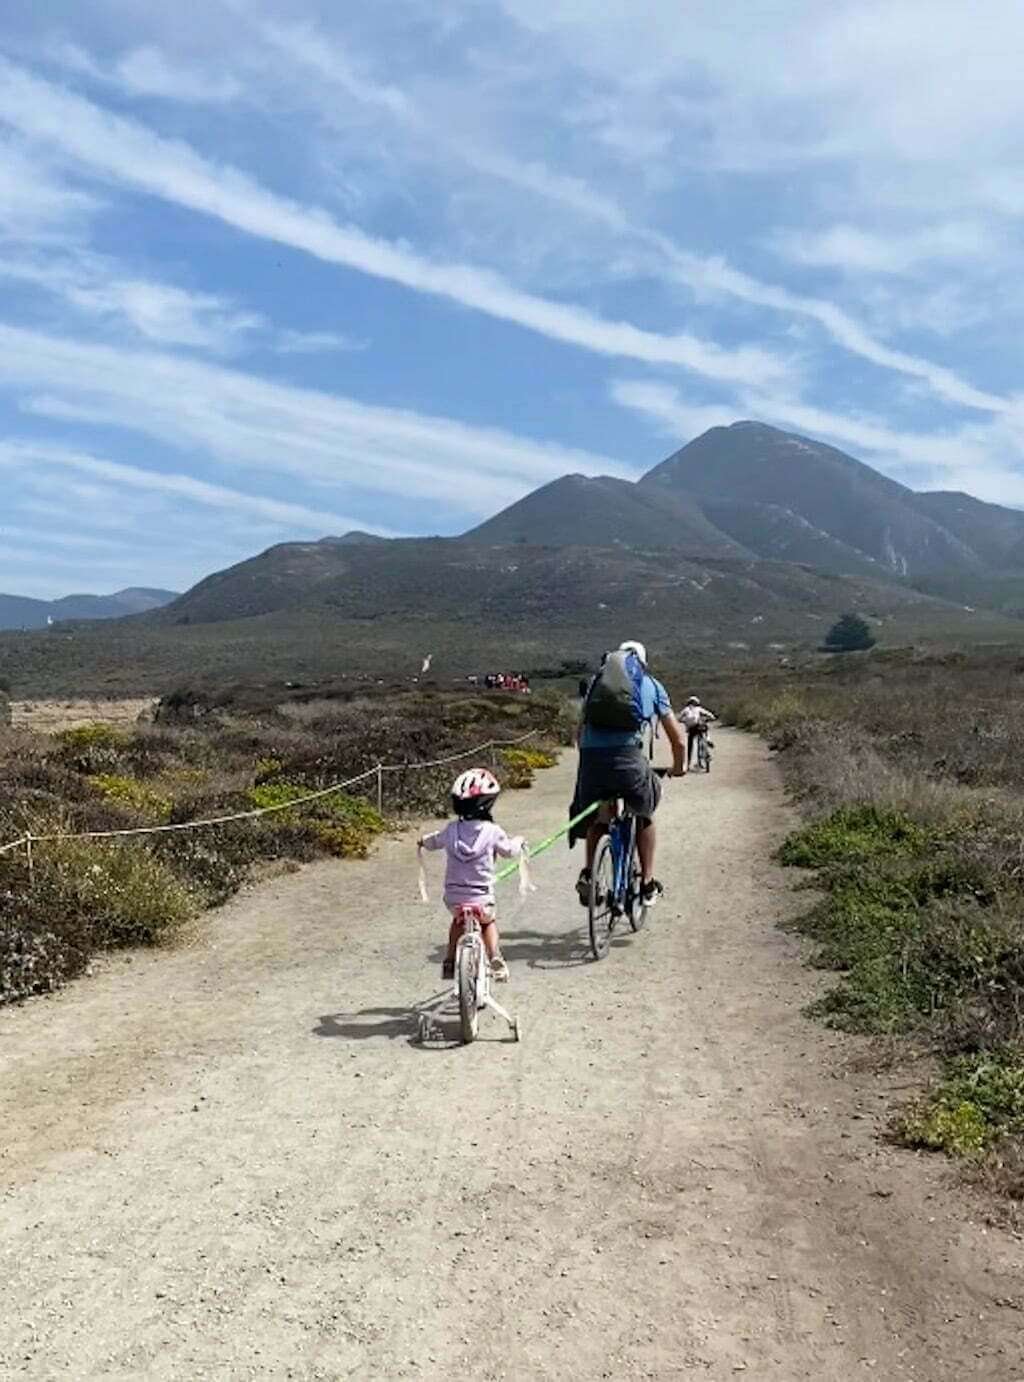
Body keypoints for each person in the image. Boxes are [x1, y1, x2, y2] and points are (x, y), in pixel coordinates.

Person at [572, 640, 685, 907]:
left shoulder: (595, 685)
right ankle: (647, 884)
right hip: (629, 759)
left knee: (599, 818)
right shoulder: (651, 685)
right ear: (642, 663)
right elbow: (678, 740)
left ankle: (590, 874)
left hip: (592, 761)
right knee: (644, 814)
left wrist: (593, 760)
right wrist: (678, 768)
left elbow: (578, 734)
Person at [418, 767, 525, 983]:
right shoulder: (492, 831)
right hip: (482, 899)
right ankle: (495, 956)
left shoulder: (450, 830)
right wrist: (520, 842)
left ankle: (449, 961)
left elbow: (433, 841)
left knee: (457, 923)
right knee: (488, 922)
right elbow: (508, 851)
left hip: (454, 898)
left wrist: (422, 840)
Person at [681, 695, 717, 768]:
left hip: (691, 729)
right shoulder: (699, 709)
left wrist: (683, 721)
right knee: (705, 731)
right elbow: (710, 715)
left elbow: (680, 718)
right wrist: (712, 718)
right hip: (699, 727)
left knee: (690, 745)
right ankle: (708, 740)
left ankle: (688, 763)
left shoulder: (686, 709)